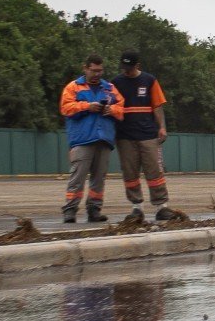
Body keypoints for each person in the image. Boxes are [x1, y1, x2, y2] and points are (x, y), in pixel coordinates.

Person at [112, 50, 176, 220]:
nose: (126, 71)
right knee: (130, 173)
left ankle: (161, 207)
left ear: (137, 66)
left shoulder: (149, 80)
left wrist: (162, 127)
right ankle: (136, 207)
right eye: (124, 67)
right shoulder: (116, 83)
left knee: (154, 171)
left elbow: (157, 106)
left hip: (148, 134)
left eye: (130, 67)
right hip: (125, 135)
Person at [59, 54, 123, 223]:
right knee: (78, 176)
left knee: (99, 178)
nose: (97, 74)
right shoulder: (73, 87)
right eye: (94, 70)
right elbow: (66, 108)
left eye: (100, 71)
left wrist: (112, 110)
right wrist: (88, 106)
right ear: (85, 68)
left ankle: (94, 209)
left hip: (104, 139)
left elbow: (122, 108)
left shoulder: (109, 88)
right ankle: (70, 209)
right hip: (82, 139)